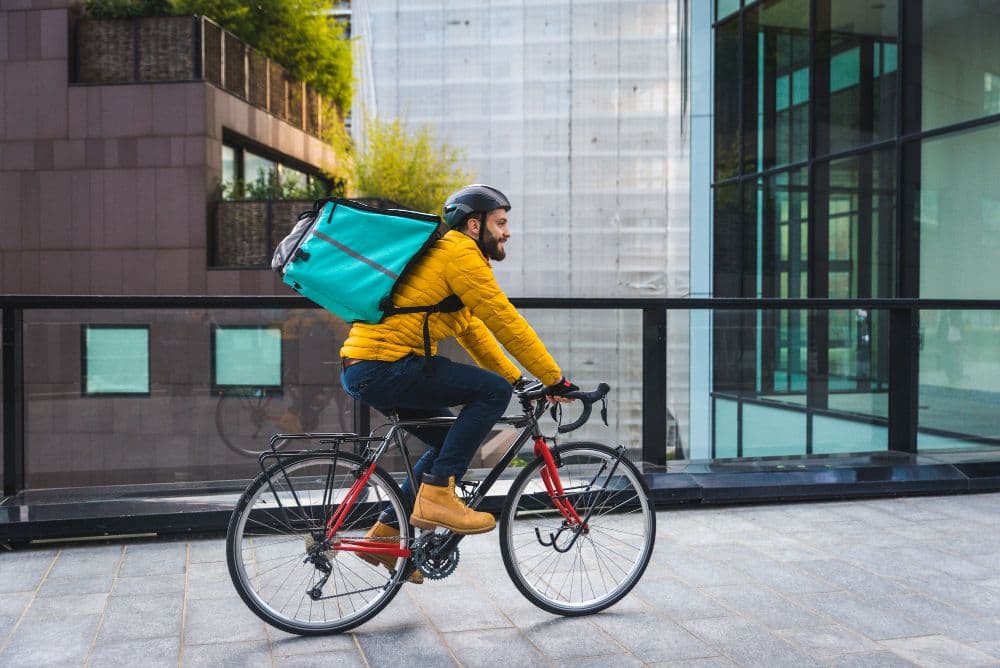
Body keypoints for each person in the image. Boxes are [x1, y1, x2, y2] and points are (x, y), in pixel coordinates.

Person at [339, 184, 577, 581]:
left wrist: (520, 380)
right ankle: (435, 498)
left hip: (366, 366)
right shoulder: (460, 254)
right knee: (490, 392)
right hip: (384, 364)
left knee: (449, 439)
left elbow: (475, 331)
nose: (507, 232)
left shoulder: (451, 257)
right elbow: (505, 320)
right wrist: (555, 379)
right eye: (500, 223)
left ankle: (384, 535)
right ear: (474, 224)